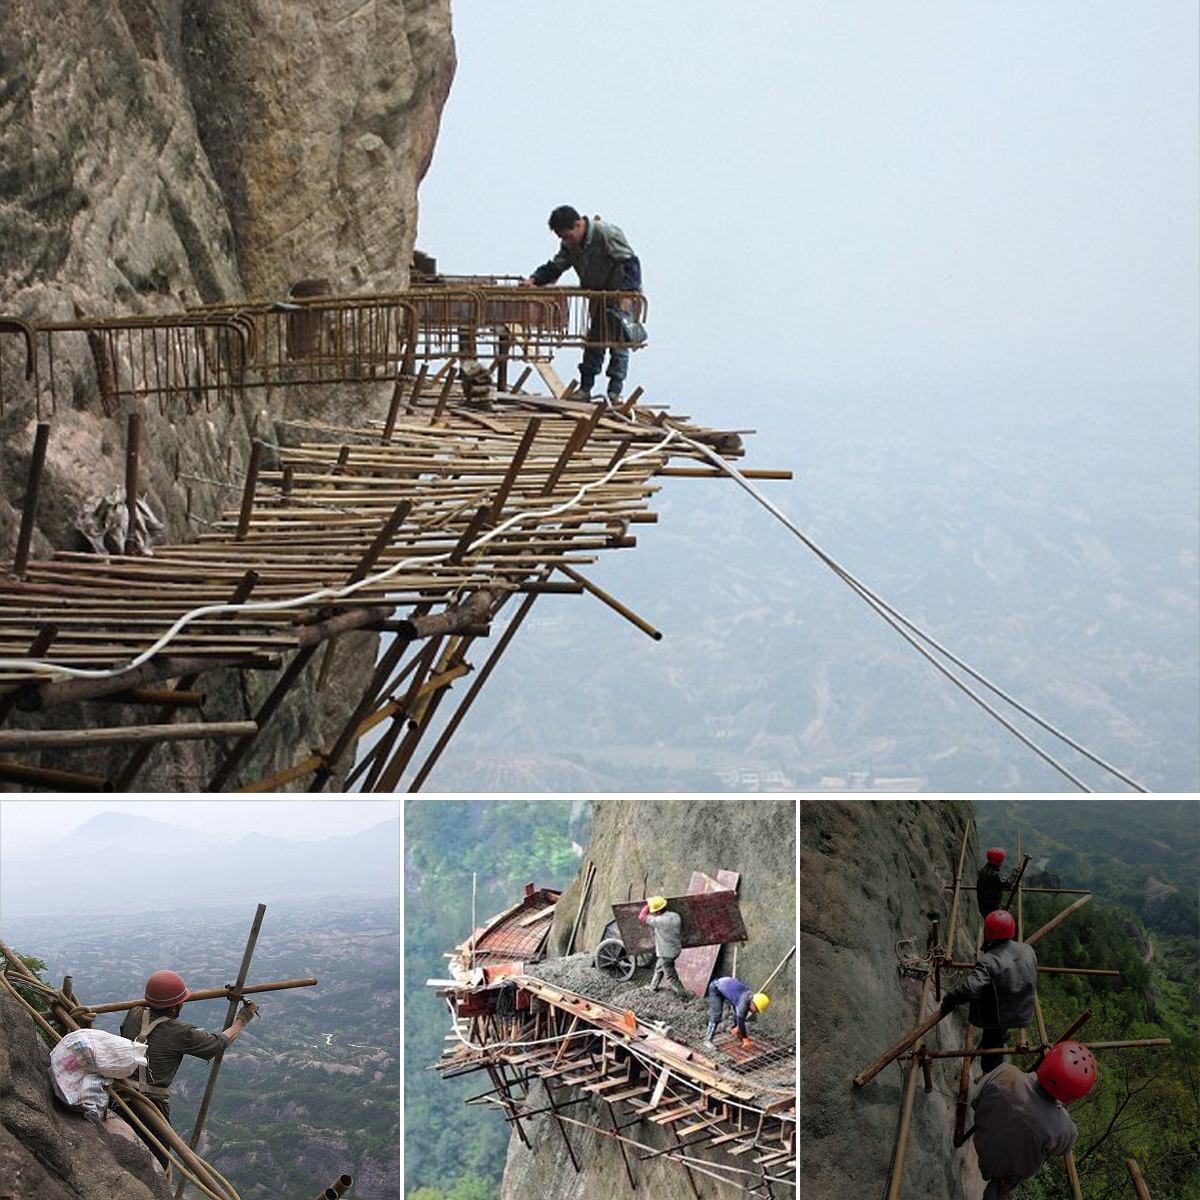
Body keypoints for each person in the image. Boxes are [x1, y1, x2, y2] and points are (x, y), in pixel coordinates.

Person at [117, 970, 258, 1162]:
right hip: (148, 1109)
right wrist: (242, 1020)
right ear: (176, 1005)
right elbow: (218, 1043)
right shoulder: (180, 1032)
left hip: (118, 1097)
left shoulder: (133, 1013)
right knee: (159, 1161)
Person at [522, 204, 643, 404]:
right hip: (598, 297)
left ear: (578, 225)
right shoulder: (570, 244)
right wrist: (535, 279)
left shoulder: (606, 234)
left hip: (620, 296)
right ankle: (585, 388)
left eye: (567, 236)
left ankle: (615, 392)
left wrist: (627, 294)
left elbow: (630, 263)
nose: (565, 241)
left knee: (619, 343)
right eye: (562, 238)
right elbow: (556, 265)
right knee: (594, 342)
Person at [972, 1041, 1095, 1200]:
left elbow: (976, 1101)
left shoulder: (1005, 1072)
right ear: (1075, 1094)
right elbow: (1060, 1150)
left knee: (987, 1161)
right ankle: (990, 1180)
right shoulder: (1063, 1130)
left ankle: (985, 1172)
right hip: (1008, 1172)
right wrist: (1062, 1115)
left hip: (983, 1145)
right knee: (996, 1189)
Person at [940, 910, 1037, 1074]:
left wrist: (949, 998)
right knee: (1000, 1036)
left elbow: (971, 989)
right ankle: (999, 1054)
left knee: (992, 1046)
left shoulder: (988, 960)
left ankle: (990, 1076)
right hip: (1022, 1011)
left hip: (998, 1017)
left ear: (989, 933)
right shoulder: (1028, 949)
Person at [637, 895, 688, 998]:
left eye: (654, 911)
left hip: (666, 953)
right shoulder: (675, 916)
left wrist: (648, 905)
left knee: (671, 976)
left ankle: (683, 995)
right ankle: (653, 986)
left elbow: (641, 916)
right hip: (675, 949)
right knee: (659, 967)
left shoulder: (659, 921)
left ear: (658, 912)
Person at [704, 977, 769, 1048]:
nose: (755, 1011)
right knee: (717, 1014)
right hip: (716, 988)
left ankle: (735, 1031)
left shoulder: (750, 997)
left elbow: (744, 1013)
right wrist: (745, 1039)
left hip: (727, 988)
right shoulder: (743, 1002)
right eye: (756, 1009)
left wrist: (738, 1028)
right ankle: (708, 1040)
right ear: (753, 1003)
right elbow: (741, 1019)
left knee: (737, 1013)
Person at [976, 847, 1014, 920]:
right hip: (991, 906)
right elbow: (1007, 883)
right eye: (1002, 861)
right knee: (992, 921)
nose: (1003, 863)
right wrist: (1015, 872)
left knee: (987, 920)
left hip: (982, 903)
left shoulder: (983, 869)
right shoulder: (994, 874)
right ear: (997, 862)